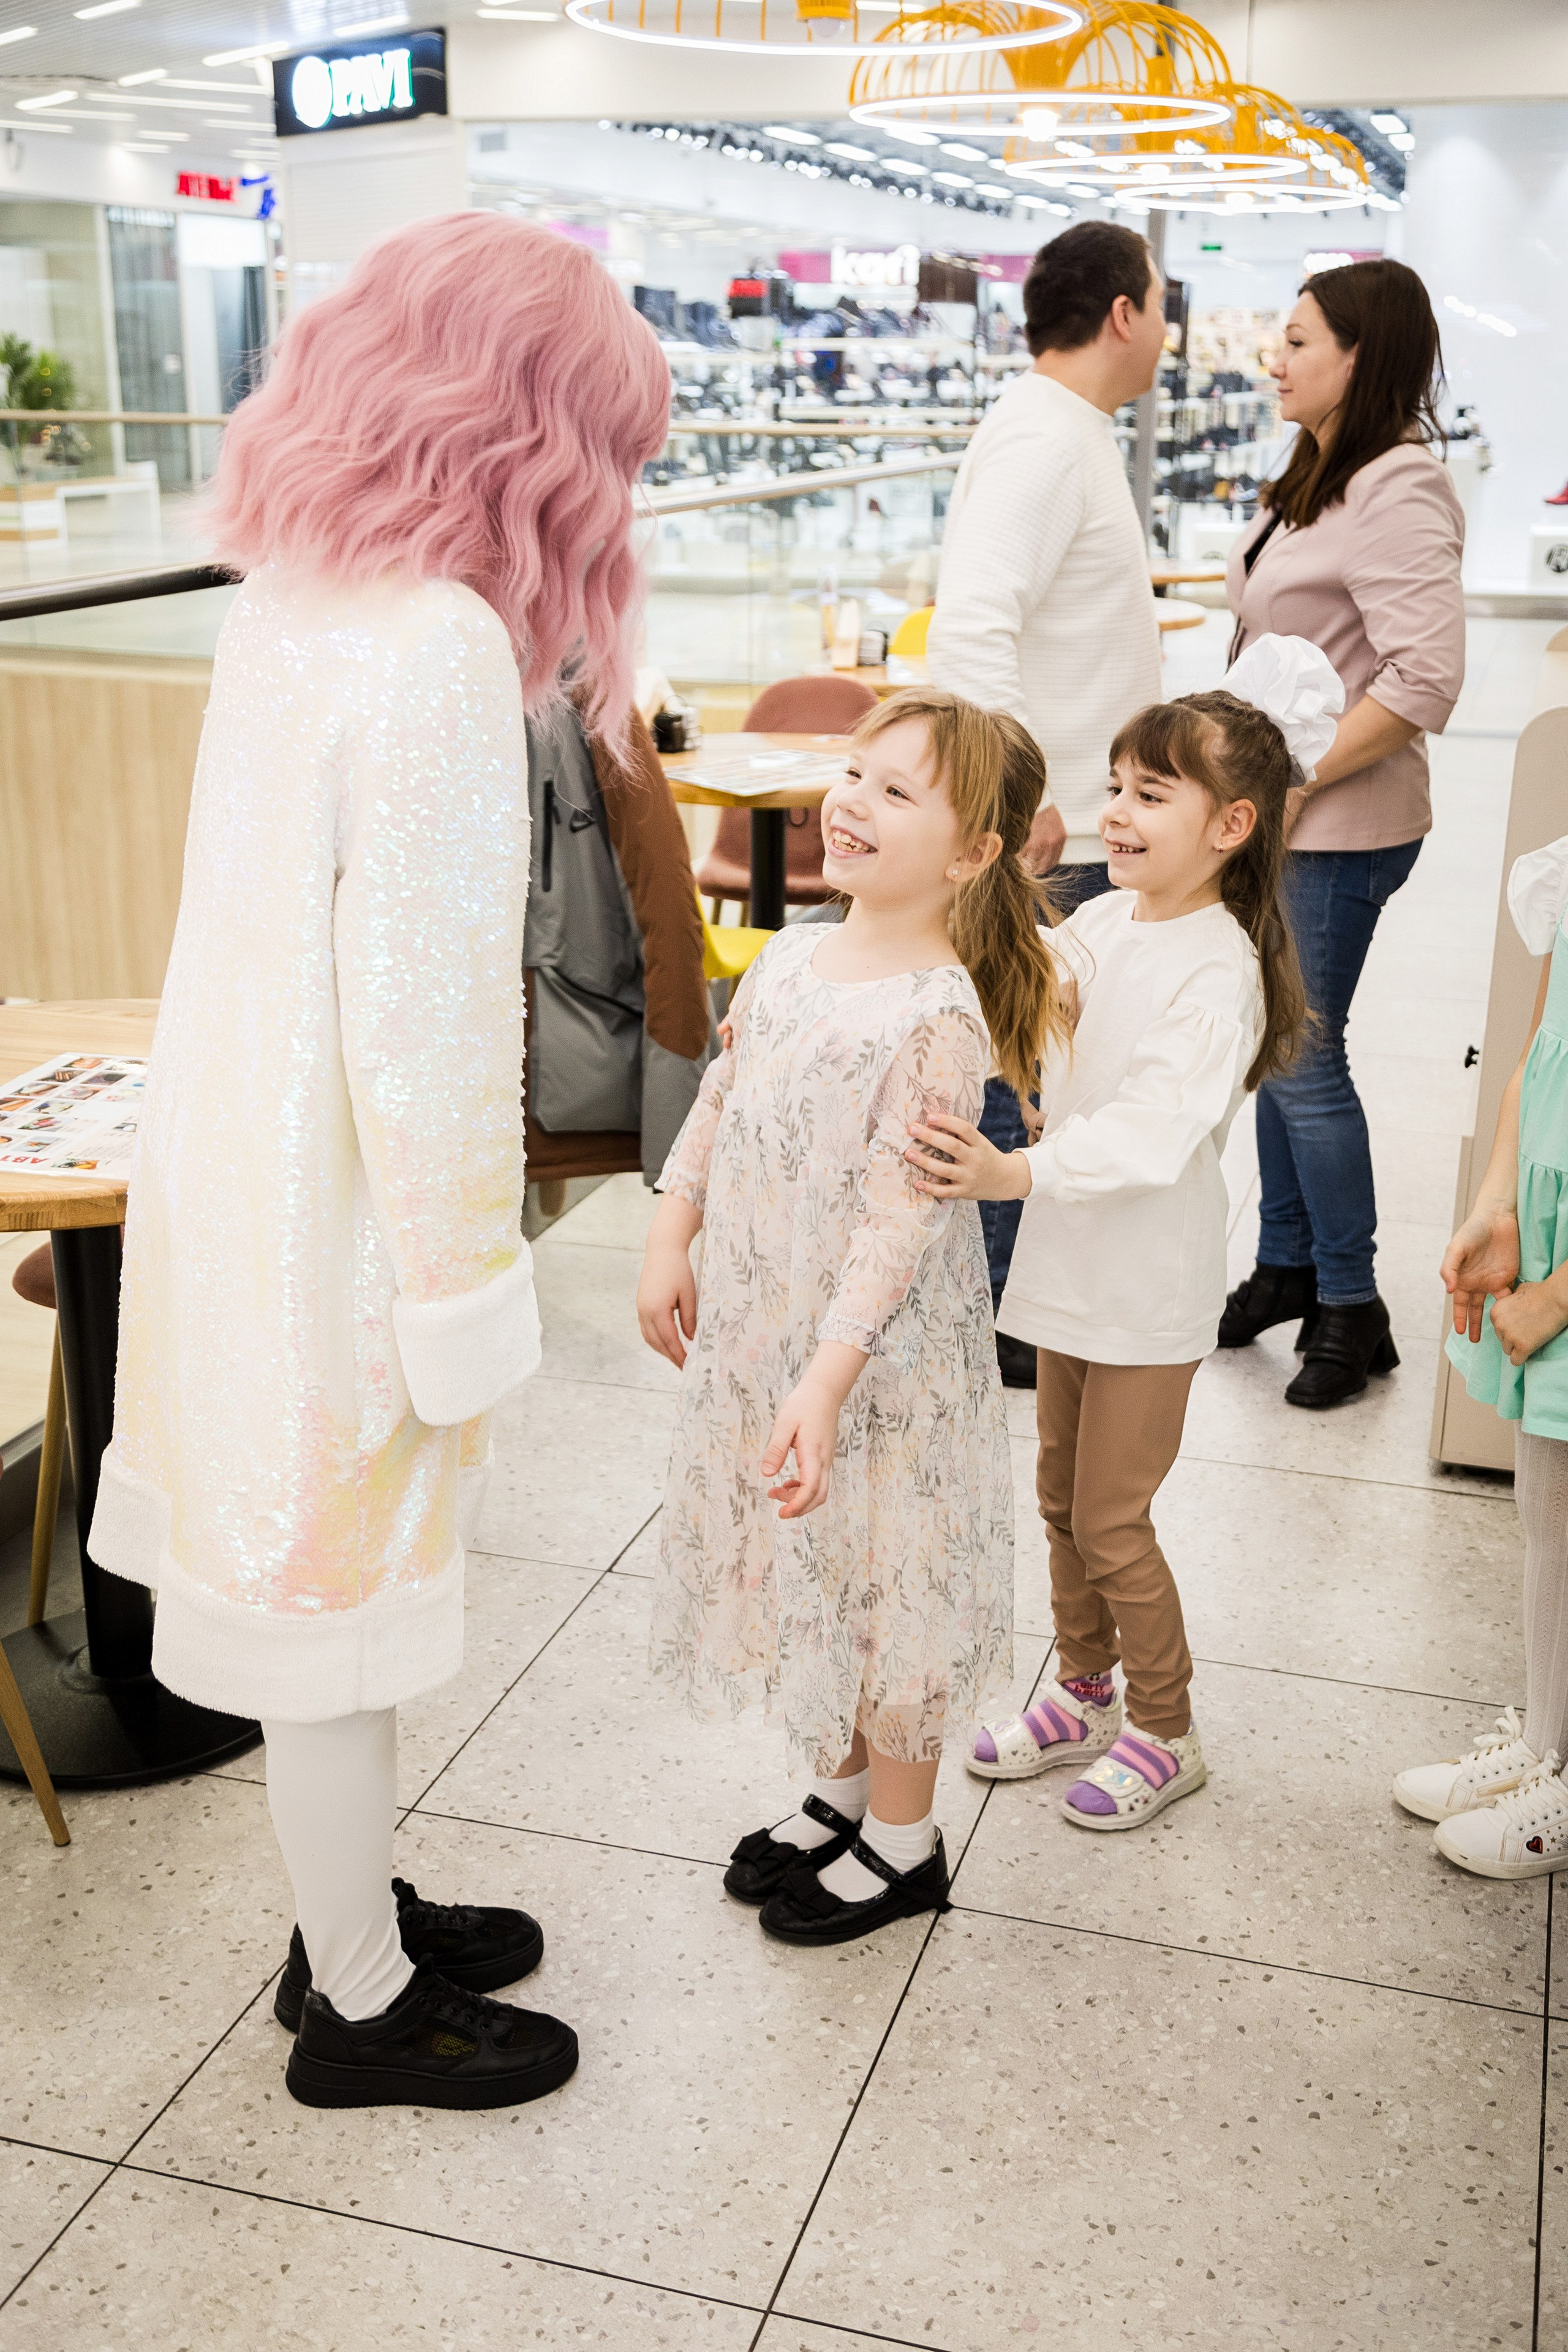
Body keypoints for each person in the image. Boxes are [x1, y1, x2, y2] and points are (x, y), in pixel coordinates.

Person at [88, 214, 671, 2109]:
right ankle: (355, 2002)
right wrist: (458, 1288)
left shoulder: (294, 589)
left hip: (238, 1160)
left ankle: (356, 1916)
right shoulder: (433, 644)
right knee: (338, 1606)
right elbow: (420, 1024)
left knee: (315, 1584)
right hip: (338, 1208)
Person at [636, 690, 1066, 1944]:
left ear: (976, 851)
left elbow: (899, 1225)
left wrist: (823, 1383)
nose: (853, 803)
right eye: (854, 774)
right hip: (770, 1335)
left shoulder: (935, 1015)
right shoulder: (786, 953)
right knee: (807, 1569)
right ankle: (834, 1795)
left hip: (875, 1368)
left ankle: (904, 1837)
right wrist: (671, 1233)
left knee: (888, 1580)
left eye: (897, 791)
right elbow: (723, 1097)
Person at [903, 639, 1328, 1829]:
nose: (1118, 814)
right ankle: (1080, 1691)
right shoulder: (1110, 919)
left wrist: (1012, 1166)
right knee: (1054, 1497)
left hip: (1145, 1285)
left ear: (1230, 824)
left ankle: (1163, 1725)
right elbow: (1015, 987)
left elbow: (1148, 1132)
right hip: (1069, 1265)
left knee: (1110, 1516)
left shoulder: (1219, 968)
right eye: (1115, 791)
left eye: (1151, 795)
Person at [1220, 257, 1466, 1409]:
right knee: (1271, 1047)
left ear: (1362, 356)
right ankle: (1286, 1264)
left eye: (1301, 339)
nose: (1278, 357)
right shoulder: (1320, 470)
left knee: (1309, 1062)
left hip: (1340, 825)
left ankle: (1352, 1305)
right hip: (1282, 821)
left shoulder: (1399, 481)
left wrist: (1296, 776)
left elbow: (1425, 676)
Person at [926, 221, 1167, 1384]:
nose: (1164, 332)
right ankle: (995, 1317)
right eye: (1161, 306)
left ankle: (1009, 1307)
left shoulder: (1070, 434)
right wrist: (1016, 795)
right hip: (1048, 826)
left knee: (1035, 1060)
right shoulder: (1046, 439)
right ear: (1123, 311)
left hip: (1075, 816)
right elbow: (972, 619)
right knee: (1011, 1064)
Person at [1395, 835, 1568, 1877]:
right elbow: (1541, 1049)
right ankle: (1549, 1743)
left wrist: (1560, 1293)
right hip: (1549, 1233)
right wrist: (1500, 1199)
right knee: (1548, 1511)